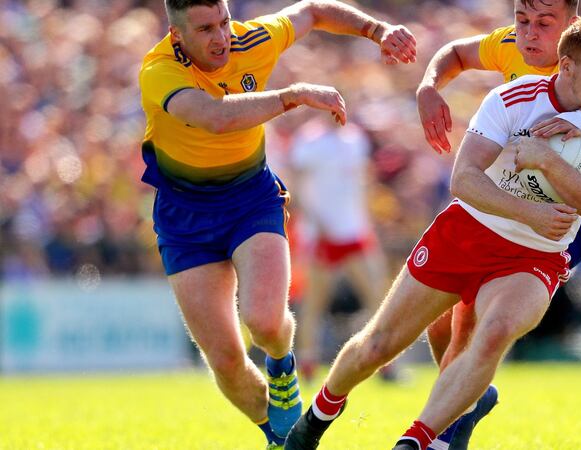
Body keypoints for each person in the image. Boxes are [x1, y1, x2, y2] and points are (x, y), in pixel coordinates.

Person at [285, 15, 581, 450]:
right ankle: (316, 419)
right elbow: (464, 179)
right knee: (380, 344)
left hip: (534, 254)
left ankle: (417, 441)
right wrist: (528, 210)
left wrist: (547, 162)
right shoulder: (513, 97)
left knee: (492, 333)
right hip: (468, 231)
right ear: (566, 66)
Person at [138, 0, 416, 447]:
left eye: (225, 22)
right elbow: (215, 116)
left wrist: (377, 30)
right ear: (177, 36)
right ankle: (279, 435)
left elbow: (312, 10)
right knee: (225, 357)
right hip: (184, 218)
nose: (221, 37)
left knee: (266, 321)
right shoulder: (158, 69)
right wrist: (293, 95)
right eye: (206, 28)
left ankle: (283, 364)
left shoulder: (253, 38)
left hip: (250, 198)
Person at [415, 1, 581, 446]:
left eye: (543, 23)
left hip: (572, 208)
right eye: (523, 19)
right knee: (441, 322)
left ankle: (444, 432)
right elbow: (456, 55)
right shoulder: (510, 44)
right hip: (516, 194)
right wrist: (429, 86)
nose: (528, 32)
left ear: (570, 24)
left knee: (473, 319)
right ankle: (468, 396)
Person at [288, 118, 392, 381]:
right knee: (315, 301)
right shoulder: (309, 140)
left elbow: (360, 183)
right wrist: (314, 221)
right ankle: (307, 364)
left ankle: (384, 362)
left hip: (354, 230)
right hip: (322, 232)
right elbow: (296, 188)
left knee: (378, 297)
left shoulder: (355, 138)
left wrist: (367, 220)